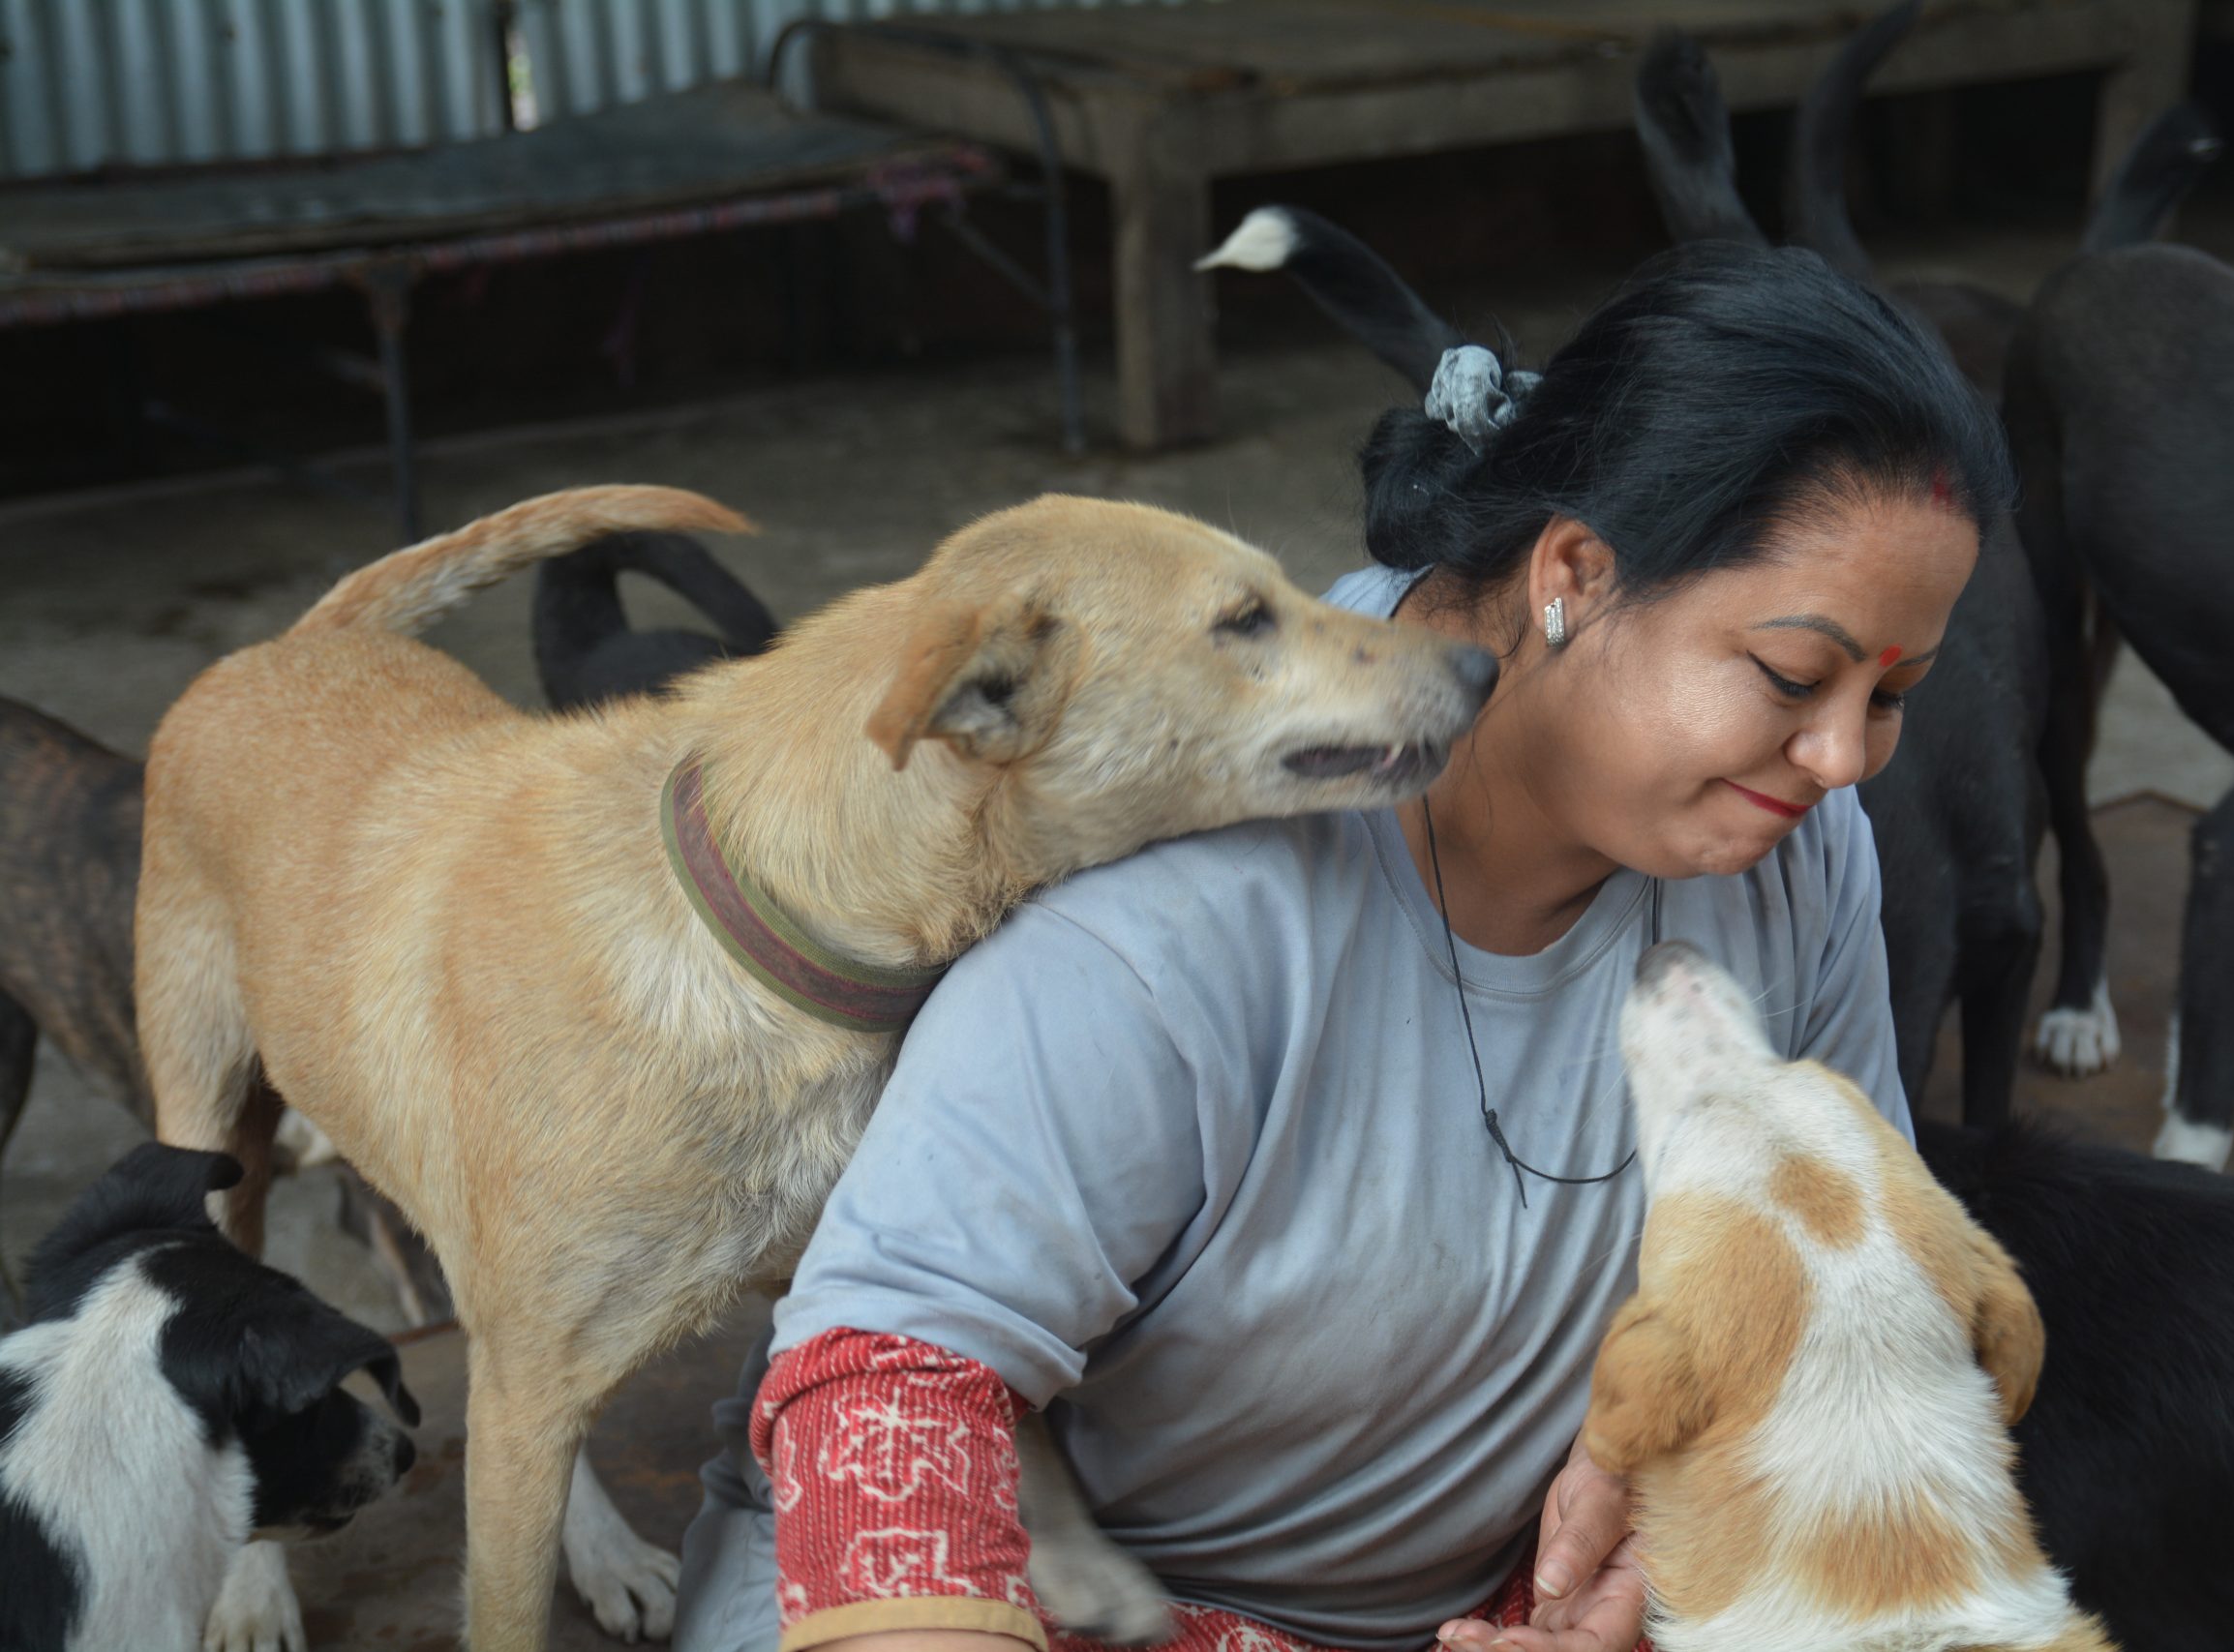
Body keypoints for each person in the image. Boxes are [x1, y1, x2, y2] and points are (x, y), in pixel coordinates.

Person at [672, 240, 2008, 1652]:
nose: (1841, 756)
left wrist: (1651, 1538)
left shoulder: (1794, 848)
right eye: (1794, 676)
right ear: (1575, 573)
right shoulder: (1179, 899)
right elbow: (888, 1383)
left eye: (1890, 695)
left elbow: (1835, 1285)